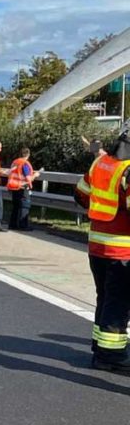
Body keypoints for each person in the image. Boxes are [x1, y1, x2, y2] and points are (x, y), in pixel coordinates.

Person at [74, 121, 130, 372]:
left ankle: (100, 347)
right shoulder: (128, 170)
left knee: (105, 298)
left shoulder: (101, 163)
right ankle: (111, 356)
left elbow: (80, 195)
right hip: (122, 250)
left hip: (97, 246)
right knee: (118, 302)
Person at [7, 147, 40, 231]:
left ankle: (12, 224)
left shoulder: (15, 162)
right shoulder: (25, 164)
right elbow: (28, 178)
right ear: (28, 155)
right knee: (24, 206)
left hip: (14, 187)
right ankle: (23, 225)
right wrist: (35, 175)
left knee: (16, 207)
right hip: (22, 187)